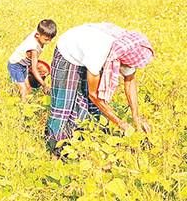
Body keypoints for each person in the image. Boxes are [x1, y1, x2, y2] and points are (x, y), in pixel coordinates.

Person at [45, 23, 154, 158]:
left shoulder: (126, 51)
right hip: (69, 53)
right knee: (64, 105)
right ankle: (55, 152)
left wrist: (136, 116)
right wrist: (119, 122)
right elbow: (94, 95)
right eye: (125, 65)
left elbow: (130, 79)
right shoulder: (99, 51)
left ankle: (77, 147)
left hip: (89, 51)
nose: (126, 68)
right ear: (120, 59)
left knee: (86, 107)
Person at [7, 19, 57, 102]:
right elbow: (34, 70)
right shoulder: (34, 50)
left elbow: (26, 37)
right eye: (46, 39)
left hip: (23, 65)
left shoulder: (36, 33)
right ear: (38, 34)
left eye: (50, 39)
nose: (48, 42)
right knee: (24, 90)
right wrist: (44, 85)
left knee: (29, 89)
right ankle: (24, 110)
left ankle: (27, 104)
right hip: (15, 65)